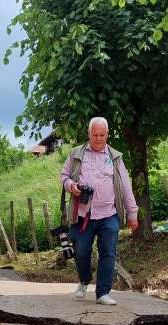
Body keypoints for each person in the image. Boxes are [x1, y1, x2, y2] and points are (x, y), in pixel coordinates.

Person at [59, 117, 139, 306]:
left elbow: (126, 186)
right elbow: (63, 176)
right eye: (95, 135)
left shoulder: (115, 157)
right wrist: (71, 186)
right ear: (89, 134)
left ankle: (103, 293)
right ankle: (84, 280)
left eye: (102, 135)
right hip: (82, 216)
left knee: (108, 253)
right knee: (81, 252)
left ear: (107, 134)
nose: (98, 138)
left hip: (108, 214)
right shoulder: (75, 154)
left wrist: (132, 213)